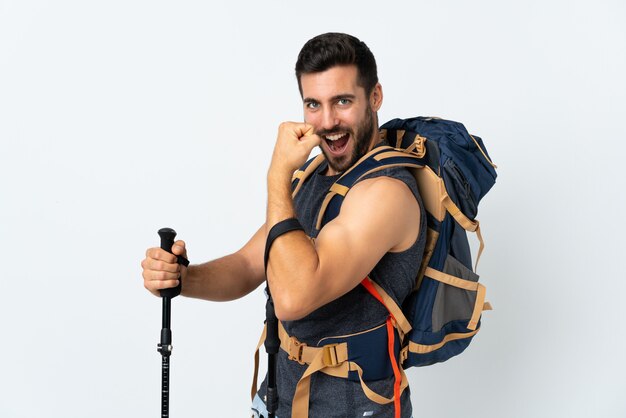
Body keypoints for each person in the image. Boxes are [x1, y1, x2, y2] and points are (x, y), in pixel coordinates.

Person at [141, 32, 425, 418]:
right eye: (313, 104)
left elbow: (292, 298)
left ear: (374, 97)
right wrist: (180, 280)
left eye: (342, 101)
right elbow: (247, 265)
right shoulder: (314, 176)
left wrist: (277, 175)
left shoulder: (386, 193)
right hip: (282, 392)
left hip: (354, 407)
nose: (327, 122)